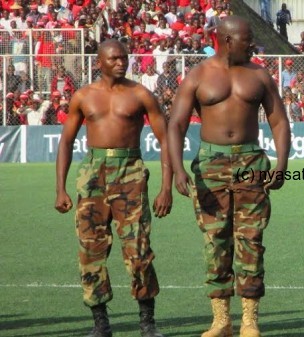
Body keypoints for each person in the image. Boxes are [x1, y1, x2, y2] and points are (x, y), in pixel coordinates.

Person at [167, 16, 291, 337]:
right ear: (226, 40)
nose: (252, 45)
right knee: (215, 241)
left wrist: (281, 163)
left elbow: (278, 121)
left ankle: (250, 319)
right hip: (210, 163)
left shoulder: (259, 75)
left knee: (251, 240)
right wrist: (178, 169)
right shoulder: (198, 75)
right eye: (246, 40)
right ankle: (221, 320)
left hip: (251, 161)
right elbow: (176, 125)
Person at [54, 39, 172, 337]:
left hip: (130, 173)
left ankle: (147, 322)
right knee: (90, 250)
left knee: (139, 250)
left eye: (124, 57)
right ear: (100, 62)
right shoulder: (83, 96)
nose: (121, 62)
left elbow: (166, 140)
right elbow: (66, 141)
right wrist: (61, 188)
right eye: (114, 58)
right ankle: (100, 323)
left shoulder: (141, 94)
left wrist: (166, 187)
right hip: (92, 175)